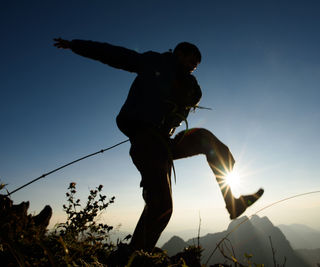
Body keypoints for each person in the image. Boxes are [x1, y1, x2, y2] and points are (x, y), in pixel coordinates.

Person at [53, 38, 264, 253]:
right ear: (179, 53)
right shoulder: (154, 62)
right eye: (192, 61)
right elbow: (115, 54)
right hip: (145, 137)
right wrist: (75, 45)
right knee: (162, 205)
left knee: (207, 140)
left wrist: (192, 95)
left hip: (165, 142)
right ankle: (135, 257)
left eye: (196, 66)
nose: (193, 67)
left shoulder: (187, 82)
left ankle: (232, 202)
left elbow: (192, 97)